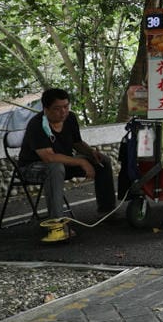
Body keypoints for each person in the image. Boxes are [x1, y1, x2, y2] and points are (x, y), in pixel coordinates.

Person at [18, 88, 116, 225]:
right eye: (57, 108)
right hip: (32, 168)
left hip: (64, 164)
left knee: (103, 161)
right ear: (45, 109)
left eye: (66, 107)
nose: (63, 112)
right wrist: (81, 162)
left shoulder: (70, 118)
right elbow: (49, 158)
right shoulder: (37, 125)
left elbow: (77, 143)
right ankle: (56, 223)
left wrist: (90, 153)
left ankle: (107, 211)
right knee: (55, 168)